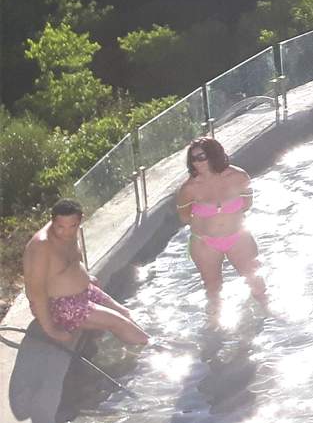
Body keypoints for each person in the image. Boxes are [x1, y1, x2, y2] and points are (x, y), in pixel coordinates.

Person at [22, 200, 149, 347]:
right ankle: (152, 352)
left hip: (84, 292)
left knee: (126, 314)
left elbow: (72, 260)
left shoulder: (70, 232)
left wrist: (86, 277)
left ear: (80, 219)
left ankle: (148, 344)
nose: (67, 231)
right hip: (59, 305)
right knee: (119, 322)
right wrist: (50, 329)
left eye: (73, 226)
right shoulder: (41, 246)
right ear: (53, 221)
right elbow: (35, 290)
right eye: (60, 227)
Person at [176, 137, 267, 316]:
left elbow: (247, 204)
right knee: (213, 289)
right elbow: (185, 218)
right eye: (192, 159)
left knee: (256, 281)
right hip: (205, 243)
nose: (196, 162)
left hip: (238, 237)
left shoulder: (238, 176)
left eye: (201, 157)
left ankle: (268, 317)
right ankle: (216, 328)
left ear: (213, 155)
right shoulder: (189, 188)